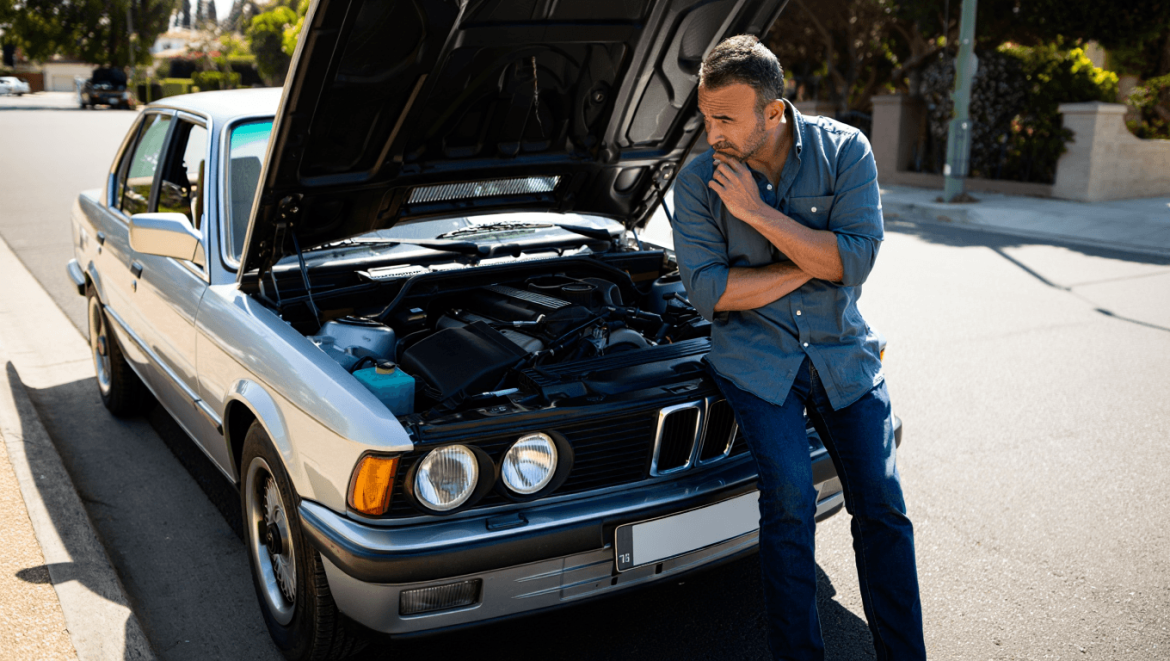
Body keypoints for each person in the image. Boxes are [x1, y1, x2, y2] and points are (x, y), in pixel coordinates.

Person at [669, 35, 926, 660]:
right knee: (789, 505)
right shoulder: (698, 181)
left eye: (726, 119)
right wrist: (817, 258)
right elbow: (709, 290)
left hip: (843, 357)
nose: (712, 135)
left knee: (883, 511)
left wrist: (757, 215)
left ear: (774, 112)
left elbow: (857, 259)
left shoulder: (846, 151)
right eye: (706, 117)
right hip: (757, 365)